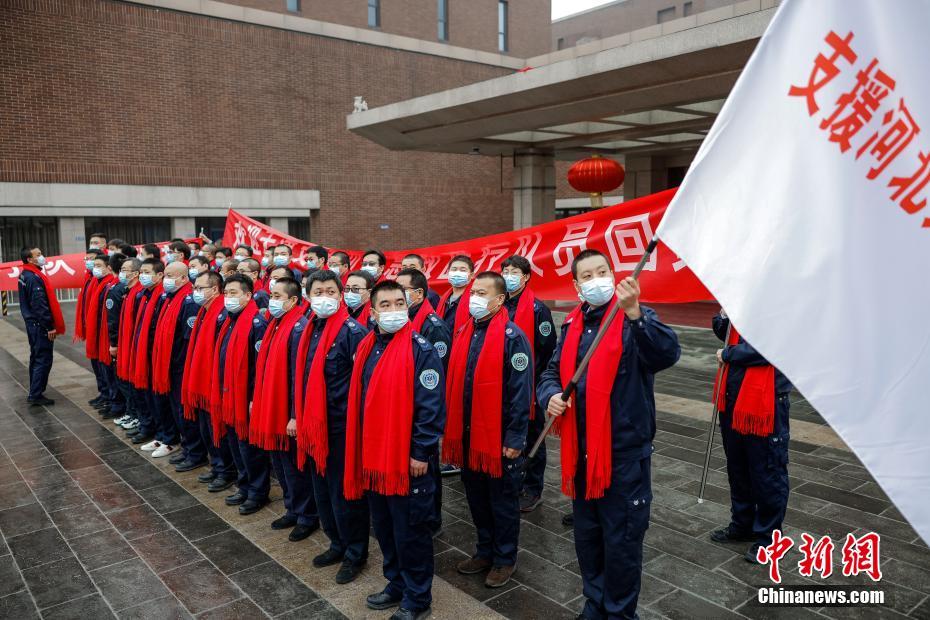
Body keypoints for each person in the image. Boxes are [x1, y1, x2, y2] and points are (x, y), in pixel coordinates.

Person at [537, 249, 680, 620]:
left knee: (622, 541)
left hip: (622, 454)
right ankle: (594, 603)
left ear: (614, 275)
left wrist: (635, 313)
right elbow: (552, 372)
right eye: (587, 276)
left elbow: (666, 354)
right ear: (576, 285)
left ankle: (618, 612)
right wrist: (550, 396)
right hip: (581, 451)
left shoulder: (635, 318)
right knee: (588, 537)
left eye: (602, 272)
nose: (596, 280)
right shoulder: (571, 324)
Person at [345, 280, 445, 620]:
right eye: (385, 305)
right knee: (385, 527)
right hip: (375, 456)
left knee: (411, 532)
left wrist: (421, 451)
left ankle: (417, 598)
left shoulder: (421, 349)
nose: (393, 310)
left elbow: (430, 407)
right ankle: (396, 583)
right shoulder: (367, 346)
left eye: (398, 303)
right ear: (372, 312)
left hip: (407, 458)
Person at [445, 272, 532, 588]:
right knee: (477, 498)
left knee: (502, 501)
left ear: (499, 300)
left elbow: (521, 392)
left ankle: (504, 558)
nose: (474, 299)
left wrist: (515, 436)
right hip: (469, 434)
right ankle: (484, 550)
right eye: (473, 292)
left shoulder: (512, 337)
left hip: (498, 437)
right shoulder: (465, 331)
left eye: (482, 293)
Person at [295, 270, 370, 584]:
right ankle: (336, 542)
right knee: (323, 491)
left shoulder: (354, 332)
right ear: (308, 296)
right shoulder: (309, 327)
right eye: (318, 292)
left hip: (340, 427)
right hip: (314, 426)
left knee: (344, 494)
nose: (324, 297)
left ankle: (355, 552)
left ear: (341, 296)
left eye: (330, 291)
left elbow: (364, 384)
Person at [710, 309, 792, 563]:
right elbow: (725, 334)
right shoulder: (744, 300)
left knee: (767, 472)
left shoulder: (784, 305)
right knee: (738, 468)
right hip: (734, 398)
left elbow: (770, 349)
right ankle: (742, 523)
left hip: (765, 401)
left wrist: (728, 354)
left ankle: (770, 538)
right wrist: (724, 315)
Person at [249, 277, 320, 540]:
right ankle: (292, 507)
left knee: (294, 466)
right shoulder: (276, 323)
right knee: (280, 462)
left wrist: (294, 415)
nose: (272, 301)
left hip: (286, 410)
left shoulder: (298, 327)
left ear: (293, 300)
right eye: (271, 295)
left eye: (278, 296)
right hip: (272, 404)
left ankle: (306, 515)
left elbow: (296, 376)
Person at [396, 268, 451, 536]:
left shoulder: (433, 327)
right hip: (401, 409)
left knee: (428, 467)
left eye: (402, 290)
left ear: (418, 294)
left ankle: (432, 520)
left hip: (422, 409)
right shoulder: (402, 320)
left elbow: (436, 379)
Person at [501, 255, 557, 513]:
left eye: (514, 272)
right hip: (504, 384)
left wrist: (535, 383)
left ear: (525, 277)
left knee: (533, 435)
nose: (508, 276)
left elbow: (547, 350)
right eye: (505, 271)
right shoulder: (500, 304)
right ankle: (513, 479)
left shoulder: (538, 309)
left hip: (529, 384)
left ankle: (533, 488)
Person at [212, 274, 271, 515]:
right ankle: (245, 485)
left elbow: (260, 366)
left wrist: (254, 398)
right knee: (236, 444)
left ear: (248, 295)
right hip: (229, 393)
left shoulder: (256, 323)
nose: (228, 298)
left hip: (245, 396)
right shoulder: (229, 319)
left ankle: (257, 492)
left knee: (249, 449)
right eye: (226, 293)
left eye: (234, 293)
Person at [179, 270, 238, 489]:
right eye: (194, 288)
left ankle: (225, 470)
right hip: (202, 381)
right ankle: (217, 466)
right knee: (207, 429)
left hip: (214, 382)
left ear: (214, 289)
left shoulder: (222, 312)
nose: (195, 292)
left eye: (199, 288)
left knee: (218, 431)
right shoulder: (205, 310)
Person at [147, 261, 197, 459]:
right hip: (167, 363)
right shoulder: (168, 297)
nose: (165, 279)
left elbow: (187, 340)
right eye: (165, 275)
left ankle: (193, 451)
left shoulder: (188, 301)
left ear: (184, 278)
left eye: (170, 276)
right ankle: (178, 442)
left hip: (179, 365)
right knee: (172, 408)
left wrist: (178, 364)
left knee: (184, 411)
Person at [17, 246, 65, 406]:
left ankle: (35, 390)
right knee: (43, 359)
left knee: (36, 357)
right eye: (38, 255)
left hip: (32, 324)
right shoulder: (33, 277)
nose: (42, 256)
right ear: (29, 259)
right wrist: (49, 326)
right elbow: (39, 305)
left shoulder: (25, 274)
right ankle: (36, 394)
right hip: (39, 325)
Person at [112, 258, 145, 433]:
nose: (122, 273)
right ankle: (134, 414)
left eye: (125, 270)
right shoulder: (129, 291)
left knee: (136, 388)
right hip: (126, 345)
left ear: (135, 273)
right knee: (127, 384)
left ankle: (140, 418)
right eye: (121, 270)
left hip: (134, 347)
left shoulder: (139, 293)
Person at [85, 253, 118, 416]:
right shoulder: (95, 282)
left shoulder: (110, 285)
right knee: (102, 369)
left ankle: (114, 401)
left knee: (109, 371)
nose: (94, 268)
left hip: (106, 334)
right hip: (98, 333)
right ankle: (106, 395)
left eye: (98, 266)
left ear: (109, 268)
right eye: (94, 264)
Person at [98, 253, 129, 421]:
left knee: (118, 377)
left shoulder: (116, 288)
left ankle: (119, 406)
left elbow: (113, 319)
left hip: (118, 339)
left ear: (110, 268)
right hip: (121, 337)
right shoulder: (117, 286)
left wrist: (113, 342)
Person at [76, 248, 108, 408]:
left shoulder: (103, 282)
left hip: (100, 330)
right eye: (87, 259)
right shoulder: (90, 278)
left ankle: (108, 395)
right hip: (92, 328)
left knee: (103, 365)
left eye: (94, 261)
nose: (90, 263)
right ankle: (103, 392)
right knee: (96, 364)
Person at [436, 255, 474, 334]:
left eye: (463, 270)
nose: (457, 273)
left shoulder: (475, 300)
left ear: (471, 275)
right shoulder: (444, 299)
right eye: (454, 269)